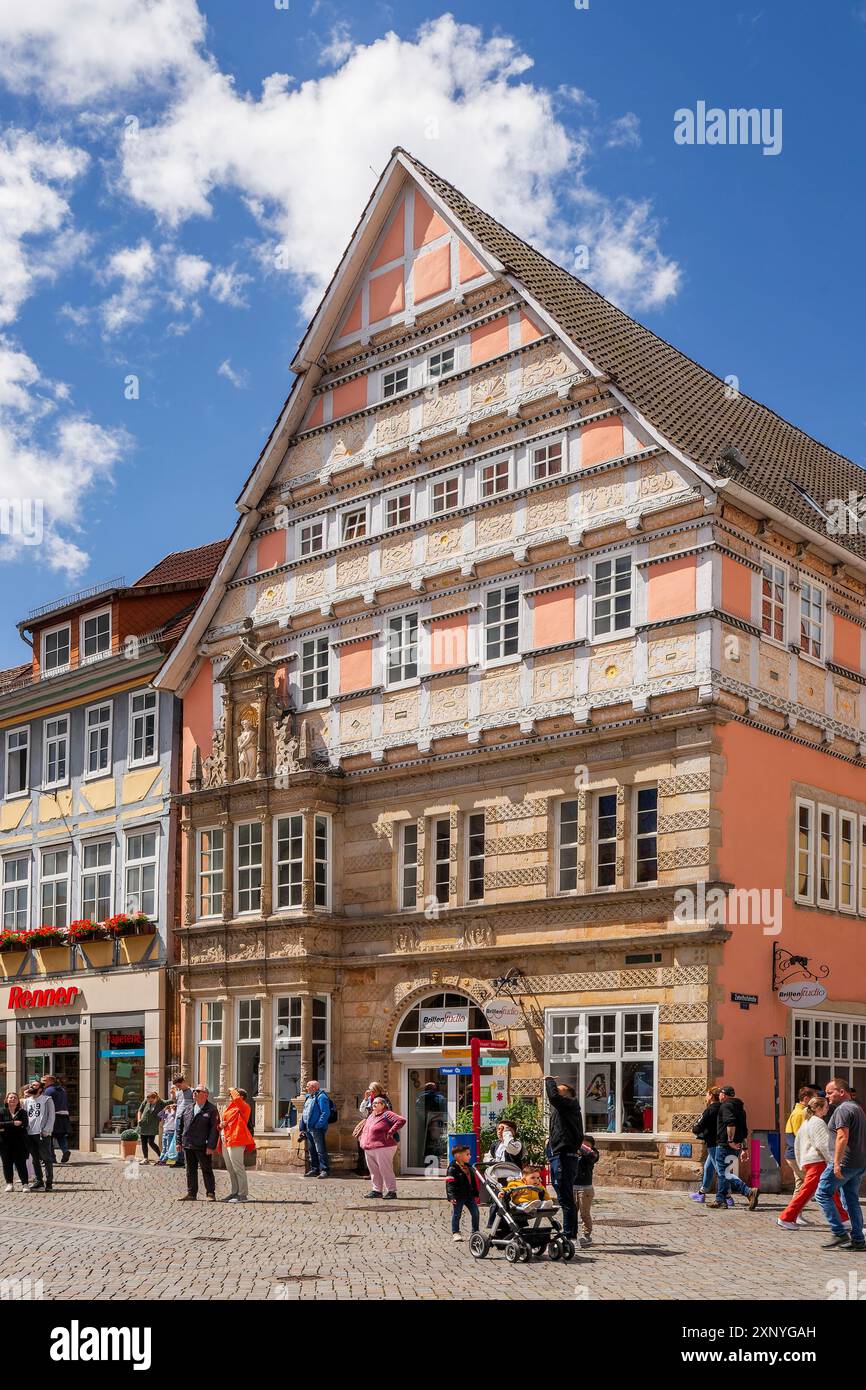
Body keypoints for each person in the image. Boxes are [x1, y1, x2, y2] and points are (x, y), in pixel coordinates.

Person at [777, 1094, 848, 1231]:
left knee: (830, 1191)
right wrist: (834, 1161)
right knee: (807, 1191)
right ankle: (786, 1217)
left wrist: (801, 1162)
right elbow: (825, 1145)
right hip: (818, 1162)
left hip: (811, 1162)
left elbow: (797, 1144)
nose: (828, 1109)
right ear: (819, 1108)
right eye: (826, 1107)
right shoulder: (818, 1122)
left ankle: (844, 1219)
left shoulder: (807, 1122)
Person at [816, 1076, 866, 1251]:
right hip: (858, 1163)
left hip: (845, 1162)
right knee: (851, 1200)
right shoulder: (858, 1108)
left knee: (822, 1193)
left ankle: (838, 1232)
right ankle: (858, 1240)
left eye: (830, 1092)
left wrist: (836, 1163)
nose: (827, 1096)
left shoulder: (843, 1110)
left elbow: (842, 1137)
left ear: (842, 1092)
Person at [544, 1074, 584, 1241]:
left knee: (565, 1197)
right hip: (557, 1155)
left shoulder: (570, 1105)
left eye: (560, 1092)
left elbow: (553, 1097)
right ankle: (570, 1232)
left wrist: (549, 1080)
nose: (556, 1094)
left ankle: (568, 1233)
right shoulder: (562, 1109)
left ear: (568, 1096)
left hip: (564, 1156)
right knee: (563, 1194)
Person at [709, 1085, 759, 1210]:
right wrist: (745, 1148)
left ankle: (748, 1191)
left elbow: (731, 1123)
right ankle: (720, 1200)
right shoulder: (740, 1108)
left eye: (720, 1093)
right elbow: (744, 1130)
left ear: (723, 1095)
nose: (719, 1095)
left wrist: (730, 1140)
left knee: (723, 1172)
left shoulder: (726, 1106)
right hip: (736, 1146)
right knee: (725, 1173)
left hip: (726, 1145)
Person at [358, 1094, 406, 1199]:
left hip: (384, 1146)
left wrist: (391, 1131)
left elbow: (401, 1120)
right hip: (369, 1147)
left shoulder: (387, 1114)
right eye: (373, 1103)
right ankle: (377, 1190)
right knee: (374, 1170)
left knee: (385, 1169)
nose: (374, 1105)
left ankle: (392, 1191)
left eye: (377, 1103)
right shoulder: (371, 1115)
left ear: (383, 1104)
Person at [177, 1085, 220, 1202]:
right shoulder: (188, 1108)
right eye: (194, 1091)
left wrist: (211, 1146)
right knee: (190, 1170)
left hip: (203, 1145)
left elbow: (214, 1130)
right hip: (188, 1144)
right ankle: (191, 1193)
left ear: (205, 1094)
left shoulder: (211, 1109)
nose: (195, 1093)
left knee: (206, 1169)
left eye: (198, 1091)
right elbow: (180, 1127)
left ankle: (210, 1193)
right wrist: (178, 1142)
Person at [219, 1087, 255, 1203]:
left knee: (238, 1167)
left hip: (236, 1139)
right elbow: (224, 1123)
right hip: (226, 1139)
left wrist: (232, 1089)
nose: (230, 1097)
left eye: (232, 1096)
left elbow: (237, 1100)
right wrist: (221, 1125)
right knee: (230, 1168)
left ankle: (242, 1194)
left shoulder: (244, 1106)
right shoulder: (230, 1108)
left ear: (241, 1097)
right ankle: (234, 1192)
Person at [784, 1085, 817, 1197]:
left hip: (796, 1155)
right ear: (806, 1099)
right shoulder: (799, 1114)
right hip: (796, 1155)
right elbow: (800, 1138)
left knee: (800, 1185)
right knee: (814, 1183)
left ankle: (795, 1213)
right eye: (813, 1098)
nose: (815, 1101)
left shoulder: (802, 1112)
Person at [691, 1087, 723, 1204]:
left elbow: (700, 1126)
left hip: (713, 1143)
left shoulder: (710, 1110)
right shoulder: (723, 1108)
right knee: (708, 1167)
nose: (705, 1097)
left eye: (707, 1094)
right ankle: (702, 1193)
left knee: (721, 1171)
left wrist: (694, 1130)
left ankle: (729, 1196)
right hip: (721, 1142)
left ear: (710, 1095)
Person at [24, 1082, 55, 1193]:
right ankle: (39, 1182)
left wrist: (47, 1130)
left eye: (35, 1085)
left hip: (42, 1134)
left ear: (41, 1089)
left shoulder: (47, 1099)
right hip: (30, 1134)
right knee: (35, 1160)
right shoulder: (27, 1101)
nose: (31, 1086)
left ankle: (49, 1183)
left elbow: (51, 1116)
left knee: (47, 1159)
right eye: (31, 1085)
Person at [446, 1143, 481, 1241]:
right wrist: (451, 1196)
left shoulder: (469, 1167)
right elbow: (449, 1184)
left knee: (475, 1213)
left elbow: (473, 1182)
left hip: (469, 1195)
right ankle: (456, 1232)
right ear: (458, 1156)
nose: (470, 1156)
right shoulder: (452, 1168)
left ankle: (475, 1232)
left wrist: (476, 1193)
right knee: (457, 1214)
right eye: (467, 1154)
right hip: (458, 1195)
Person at [299, 1080, 332, 1179]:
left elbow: (325, 1113)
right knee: (312, 1149)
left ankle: (325, 1170)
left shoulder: (322, 1097)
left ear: (314, 1087)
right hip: (309, 1128)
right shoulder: (309, 1097)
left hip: (317, 1128)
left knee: (320, 1150)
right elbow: (304, 1112)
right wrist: (302, 1127)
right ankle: (314, 1169)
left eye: (308, 1086)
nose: (306, 1088)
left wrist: (318, 1125)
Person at [356, 1083, 390, 1176]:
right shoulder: (370, 1099)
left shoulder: (383, 1099)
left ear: (376, 1090)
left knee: (374, 1148)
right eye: (370, 1090)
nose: (371, 1092)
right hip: (369, 1124)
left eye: (372, 1090)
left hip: (378, 1125)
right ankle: (364, 1169)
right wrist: (366, 1098)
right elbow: (362, 1110)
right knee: (362, 1144)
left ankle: (373, 1172)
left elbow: (388, 1113)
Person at [0, 1090, 29, 1191]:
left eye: (15, 1098)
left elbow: (24, 1124)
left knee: (21, 1163)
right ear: (6, 1100)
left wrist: (5, 1126)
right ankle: (9, 1184)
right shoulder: (2, 1111)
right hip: (4, 1143)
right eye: (10, 1097)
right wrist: (13, 1123)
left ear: (18, 1101)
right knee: (7, 1163)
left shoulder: (22, 1112)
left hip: (19, 1142)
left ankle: (25, 1184)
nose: (12, 1099)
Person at [575, 1133, 599, 1246]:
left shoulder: (593, 1154)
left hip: (585, 1189)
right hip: (573, 1187)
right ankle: (571, 1234)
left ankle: (587, 1236)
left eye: (586, 1144)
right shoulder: (575, 1154)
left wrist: (578, 1143)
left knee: (584, 1214)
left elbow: (589, 1153)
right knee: (571, 1213)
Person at [43, 1076, 71, 1165]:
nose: (43, 1083)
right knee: (61, 1135)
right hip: (64, 1115)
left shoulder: (48, 1091)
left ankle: (52, 1157)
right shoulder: (62, 1090)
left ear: (50, 1081)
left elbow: (45, 1103)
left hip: (54, 1116)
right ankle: (65, 1150)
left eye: (44, 1081)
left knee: (49, 1136)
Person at [171, 1076, 194, 1167]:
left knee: (186, 1138)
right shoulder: (179, 1093)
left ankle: (186, 1161)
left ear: (184, 1082)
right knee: (178, 1139)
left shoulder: (192, 1091)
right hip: (178, 1117)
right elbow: (177, 1103)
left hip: (188, 1119)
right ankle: (180, 1160)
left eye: (179, 1085)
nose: (179, 1087)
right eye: (177, 1086)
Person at [136, 1092, 163, 1164]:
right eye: (148, 1100)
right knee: (143, 1142)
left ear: (155, 1098)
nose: (149, 1102)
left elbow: (170, 1102)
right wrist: (139, 1119)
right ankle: (145, 1159)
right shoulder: (145, 1101)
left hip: (152, 1126)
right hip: (143, 1124)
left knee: (151, 1142)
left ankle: (161, 1156)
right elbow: (140, 1110)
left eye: (151, 1101)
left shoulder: (161, 1102)